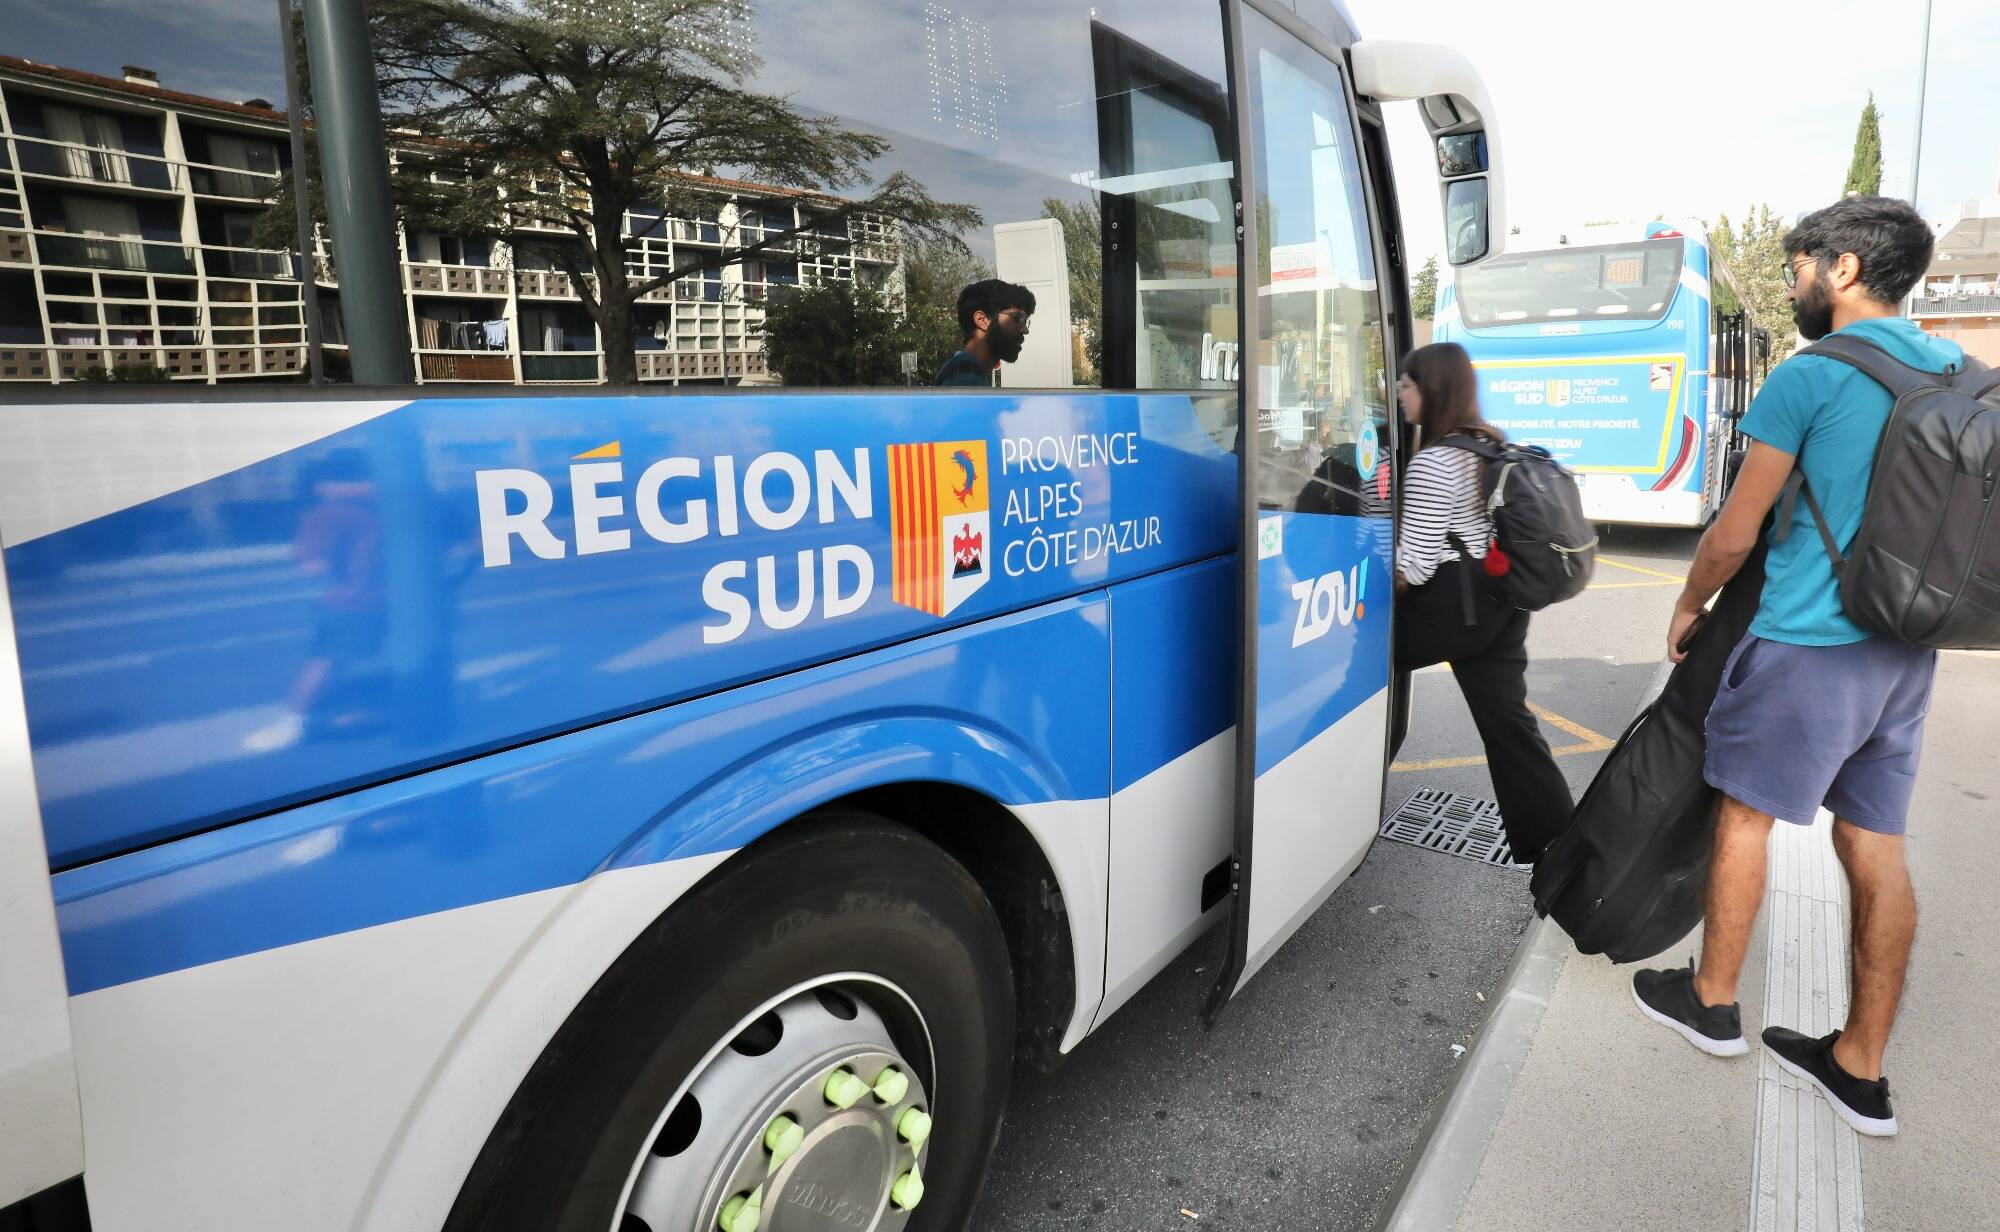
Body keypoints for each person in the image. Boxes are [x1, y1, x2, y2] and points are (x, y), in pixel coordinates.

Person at [1631, 196, 1954, 1138]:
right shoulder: (1956, 372)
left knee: (1745, 819)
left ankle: (1713, 1004)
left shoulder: (1812, 375)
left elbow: (1736, 531)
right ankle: (1860, 1066)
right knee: (1876, 847)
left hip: (1810, 647)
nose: (1792, 284)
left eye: (1800, 265)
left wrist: (1689, 604)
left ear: (1843, 269)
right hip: (1906, 655)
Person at [1394, 342, 1573, 862]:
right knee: (1511, 729)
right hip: (1501, 605)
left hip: (1455, 613)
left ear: (1432, 391)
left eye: (1407, 384)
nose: (1399, 394)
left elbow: (1414, 567)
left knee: (1347, 671)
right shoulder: (1487, 444)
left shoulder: (1434, 462)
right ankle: (1563, 851)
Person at [934, 279, 1034, 386]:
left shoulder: (960, 371)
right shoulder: (967, 378)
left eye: (1025, 321)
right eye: (1018, 318)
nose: (1025, 330)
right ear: (981, 320)